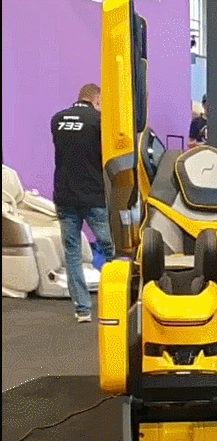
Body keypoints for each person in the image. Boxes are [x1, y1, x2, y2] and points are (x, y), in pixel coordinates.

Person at [51, 84, 115, 323]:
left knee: (72, 254)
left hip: (65, 195)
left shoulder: (57, 119)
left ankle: (82, 309)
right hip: (93, 195)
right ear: (96, 100)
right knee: (111, 249)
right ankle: (117, 299)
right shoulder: (99, 122)